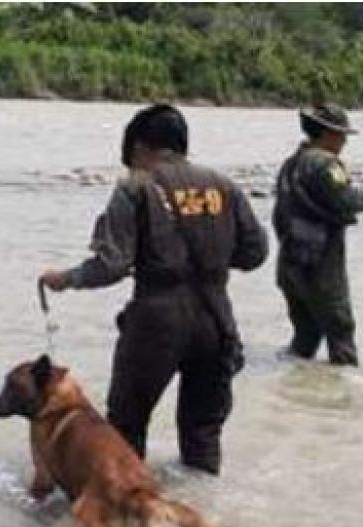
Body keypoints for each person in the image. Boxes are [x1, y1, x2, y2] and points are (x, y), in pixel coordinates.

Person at [39, 104, 268, 475]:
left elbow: (112, 265)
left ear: (142, 147)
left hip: (156, 321)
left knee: (126, 428)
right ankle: (203, 511)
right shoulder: (225, 187)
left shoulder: (135, 187)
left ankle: (125, 513)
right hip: (216, 319)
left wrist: (66, 279)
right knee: (203, 433)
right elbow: (254, 253)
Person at [272, 104, 363, 366]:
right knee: (341, 333)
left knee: (305, 337)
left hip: (291, 262)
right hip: (322, 266)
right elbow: (349, 201)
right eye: (342, 135)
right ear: (327, 133)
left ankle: (293, 396)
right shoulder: (325, 165)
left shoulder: (290, 164)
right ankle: (342, 399)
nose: (345, 141)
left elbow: (280, 213)